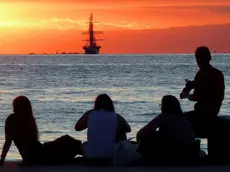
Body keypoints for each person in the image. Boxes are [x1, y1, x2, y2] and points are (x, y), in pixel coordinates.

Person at [0, 96, 81, 166]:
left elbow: (8, 142)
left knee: (65, 142)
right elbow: (26, 144)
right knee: (67, 140)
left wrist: (2, 160)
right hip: (38, 154)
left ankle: (85, 154)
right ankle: (88, 154)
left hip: (37, 153)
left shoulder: (12, 119)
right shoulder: (26, 119)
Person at [136, 95, 200, 162]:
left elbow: (144, 131)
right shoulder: (184, 117)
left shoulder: (164, 117)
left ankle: (153, 158)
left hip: (177, 150)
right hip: (192, 150)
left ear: (164, 106)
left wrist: (138, 138)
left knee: (150, 135)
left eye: (161, 105)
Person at [180, 46, 225, 137]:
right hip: (214, 112)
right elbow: (203, 86)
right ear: (210, 58)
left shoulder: (202, 74)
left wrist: (186, 94)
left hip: (202, 115)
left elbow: (195, 97)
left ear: (198, 59)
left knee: (177, 120)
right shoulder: (218, 73)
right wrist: (192, 85)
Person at [75, 94, 131, 160]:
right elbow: (128, 129)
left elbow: (77, 128)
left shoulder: (89, 114)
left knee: (82, 144)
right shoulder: (116, 116)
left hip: (90, 154)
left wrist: (92, 124)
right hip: (111, 154)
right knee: (122, 130)